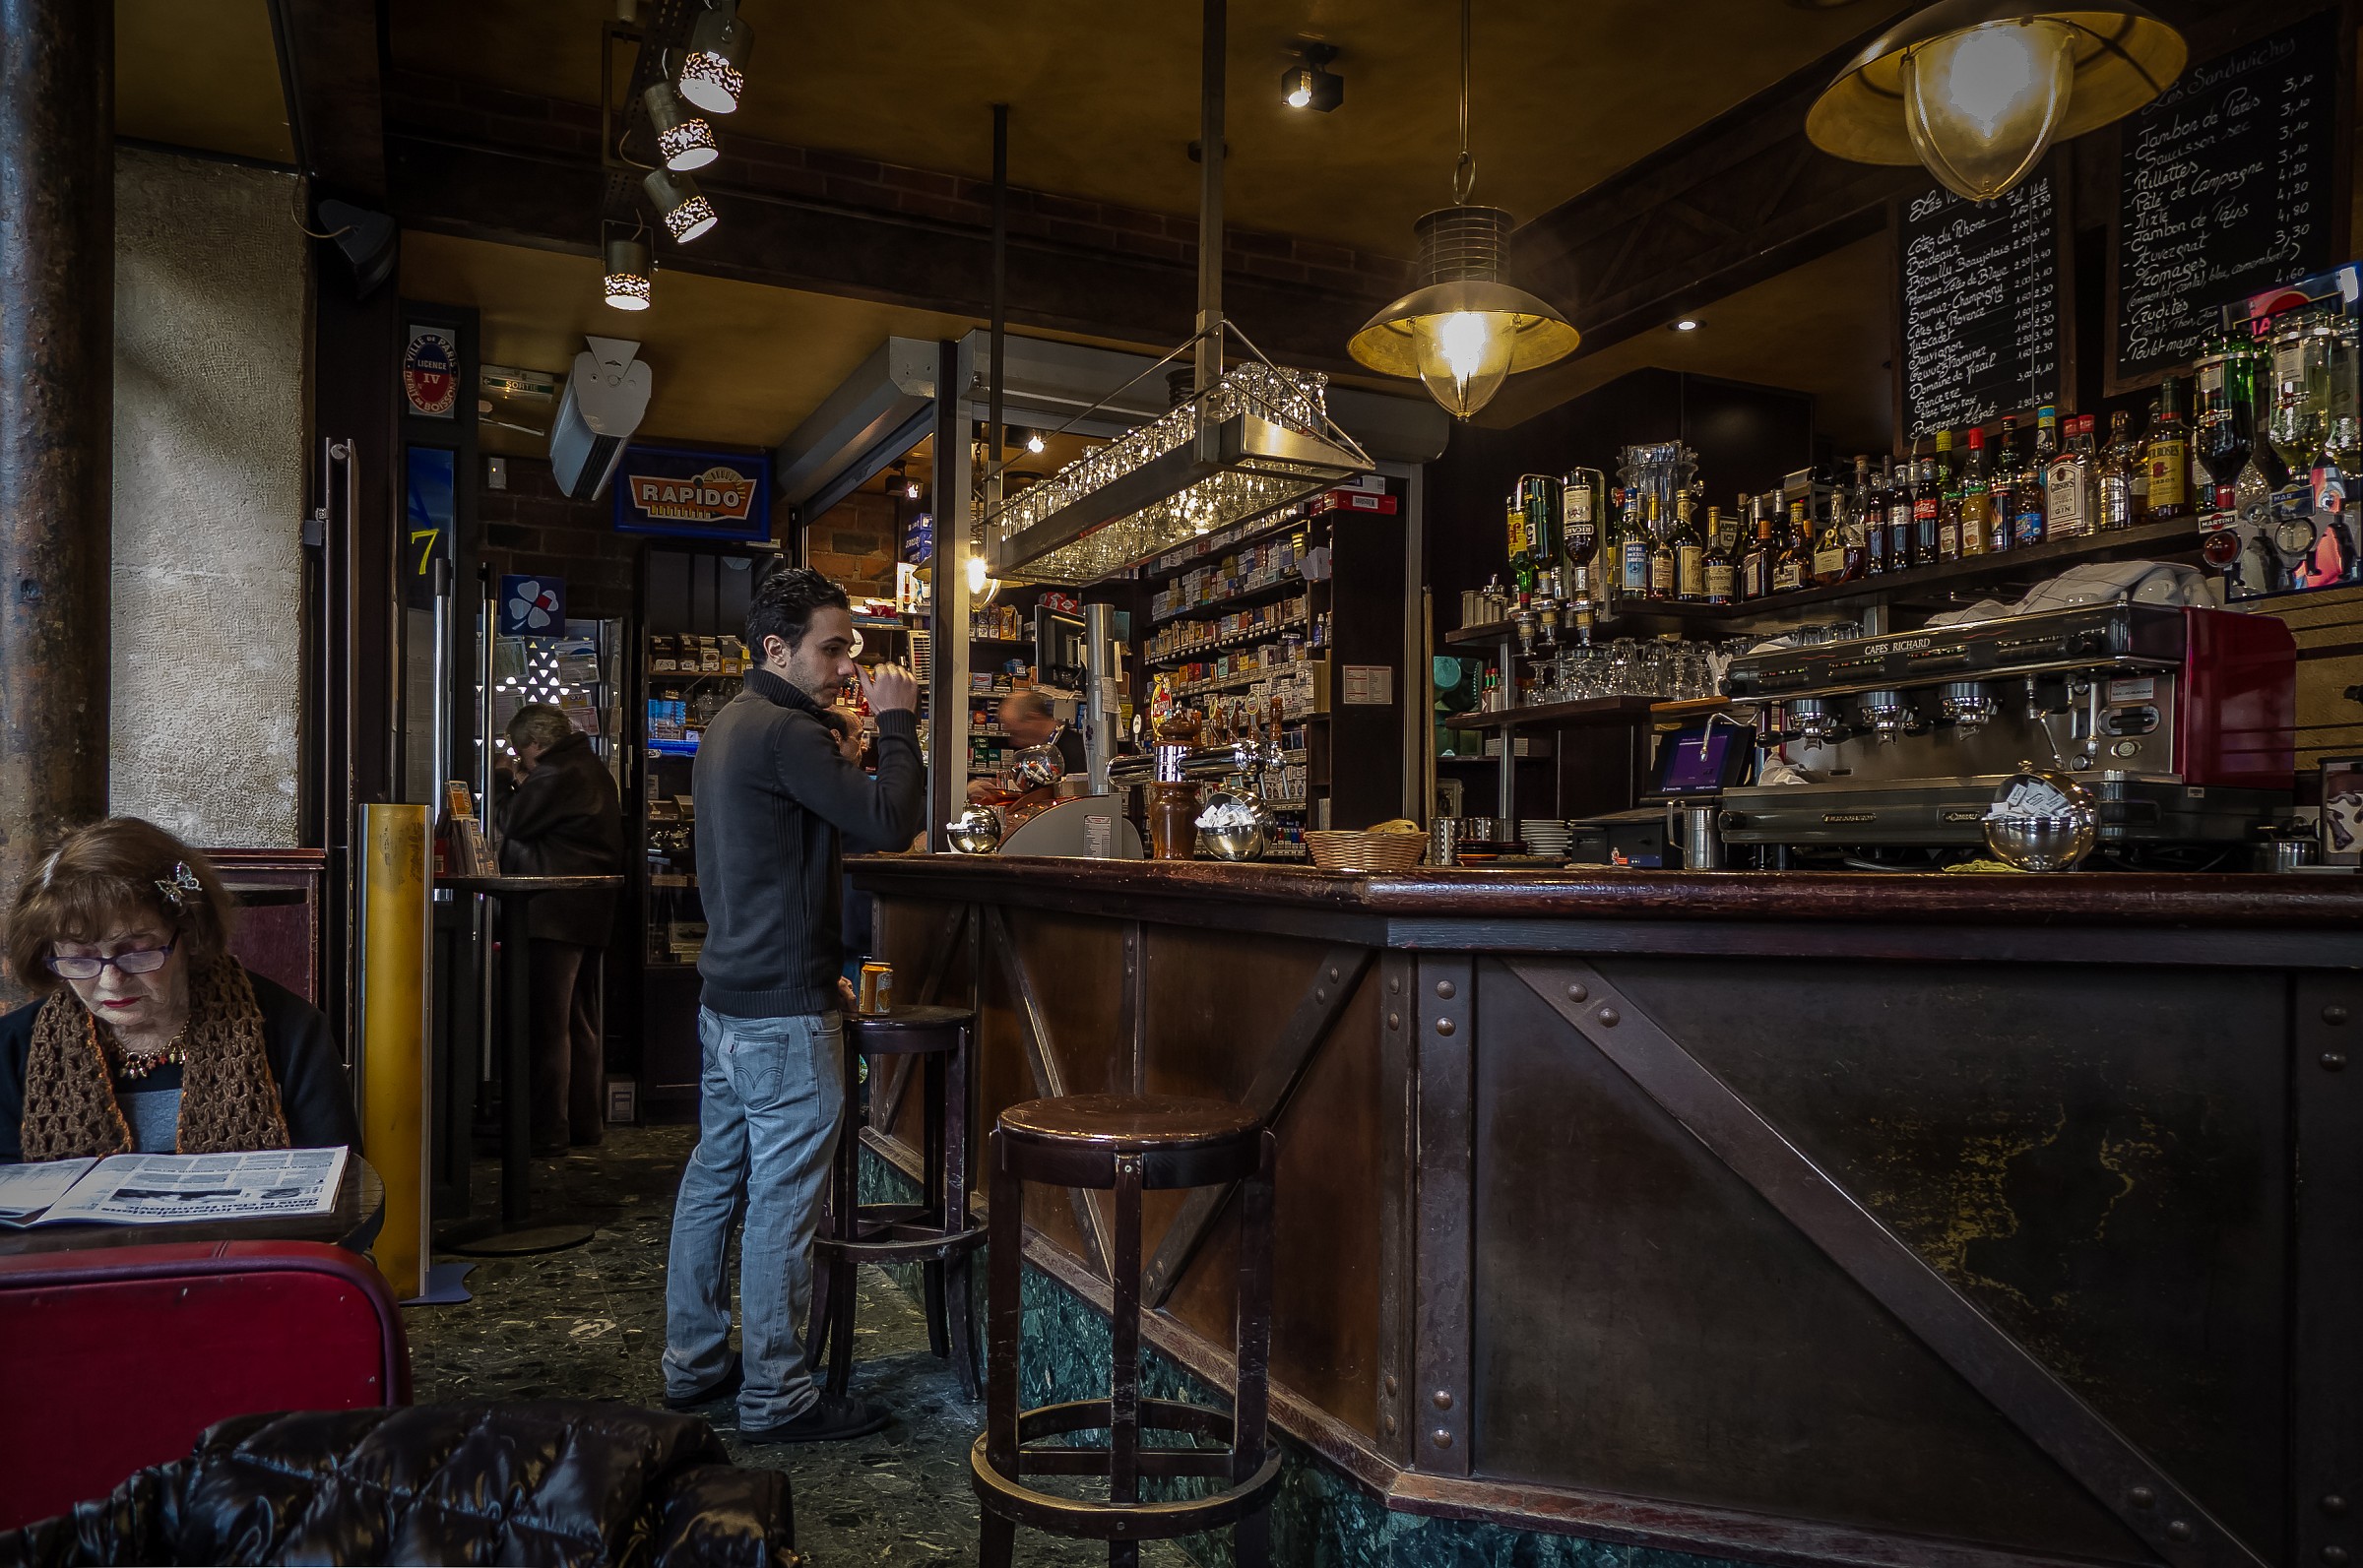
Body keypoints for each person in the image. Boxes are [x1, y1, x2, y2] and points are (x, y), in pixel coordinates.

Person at [664, 567, 924, 1444]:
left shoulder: (731, 725)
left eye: (850, 647)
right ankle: (777, 1395)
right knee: (781, 1200)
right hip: (780, 1014)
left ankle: (693, 1362)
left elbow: (770, 861)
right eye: (832, 646)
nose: (847, 663)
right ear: (775, 647)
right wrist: (895, 720)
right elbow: (892, 823)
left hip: (729, 997)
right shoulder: (787, 733)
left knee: (714, 1180)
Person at [0, 818, 359, 1162]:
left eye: (137, 952)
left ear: (188, 934)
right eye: (80, 959)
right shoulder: (14, 1048)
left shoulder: (289, 1031)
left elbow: (346, 1195)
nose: (111, 981)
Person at [497, 703, 624, 1154]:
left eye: (519, 750)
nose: (519, 758)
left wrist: (502, 780)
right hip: (586, 911)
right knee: (580, 1021)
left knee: (548, 1025)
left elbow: (513, 824)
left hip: (553, 913)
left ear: (535, 743)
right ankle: (584, 1123)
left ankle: (546, 1129)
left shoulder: (556, 772)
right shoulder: (588, 767)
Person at [967, 689, 1083, 802]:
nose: (1012, 742)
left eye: (1016, 733)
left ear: (1033, 717)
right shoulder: (1037, 750)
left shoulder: (1076, 751)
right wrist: (992, 787)